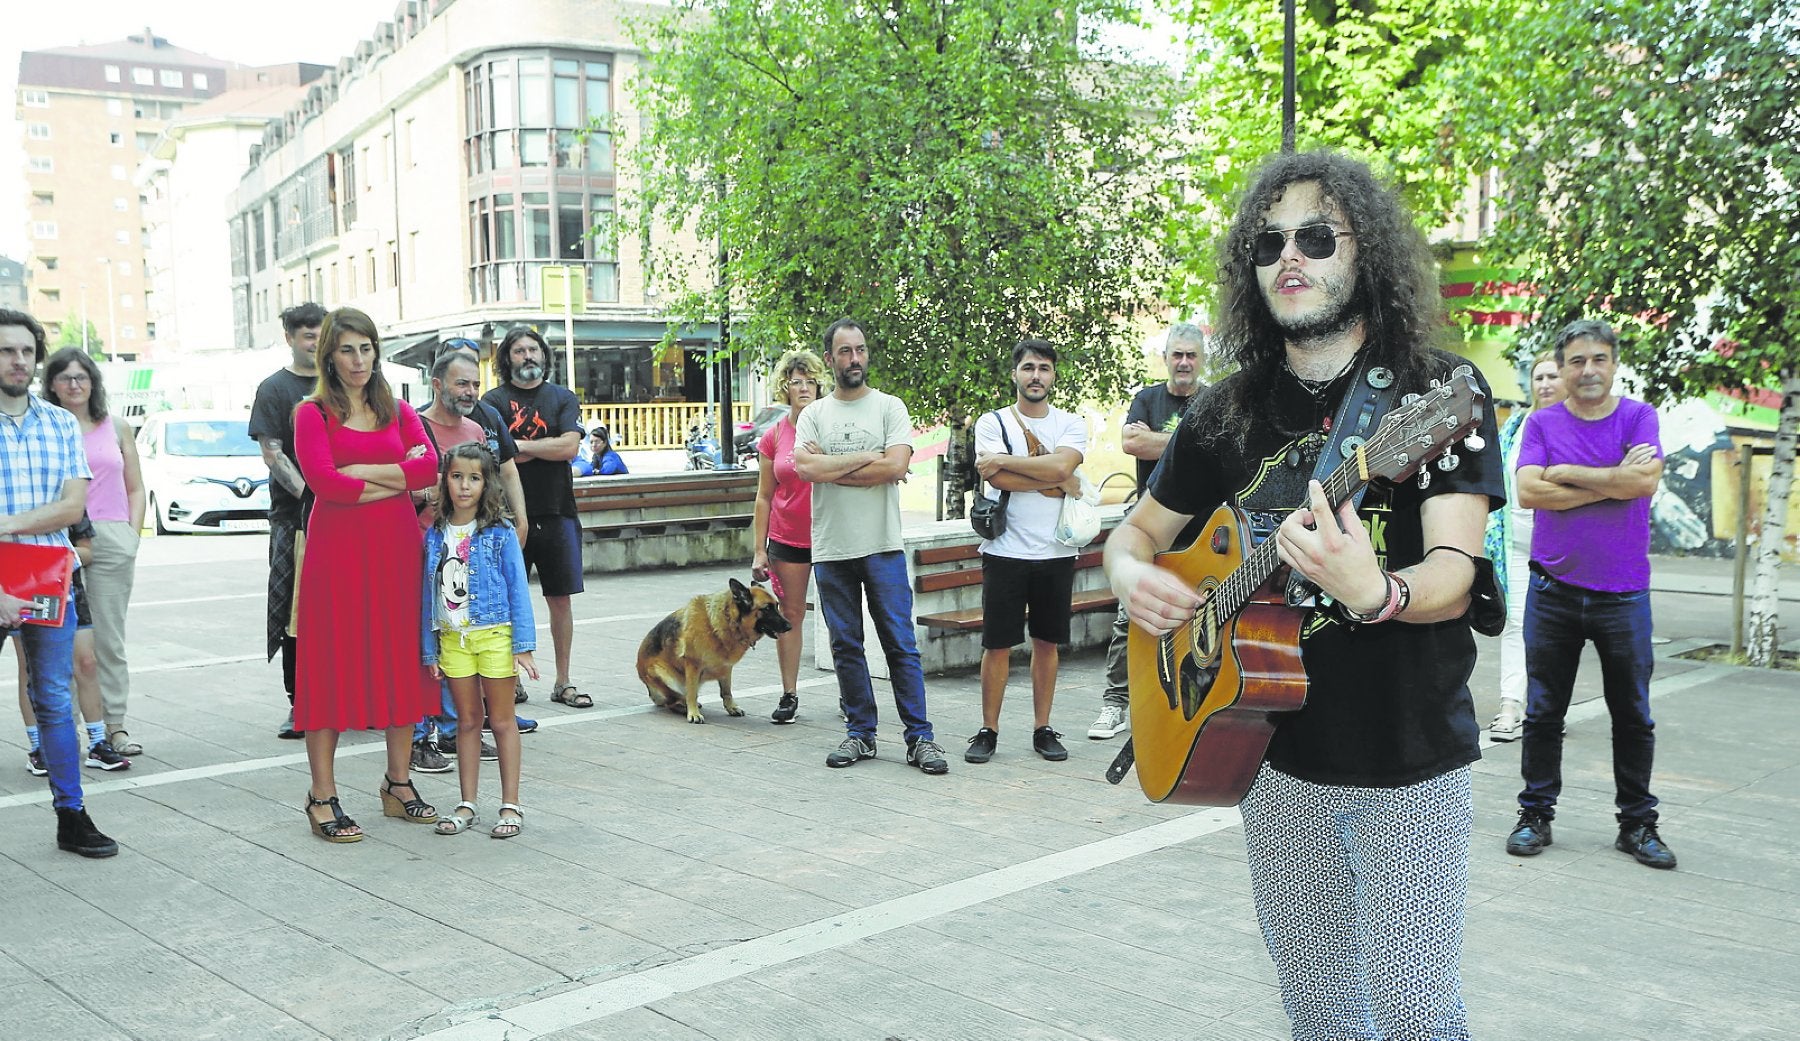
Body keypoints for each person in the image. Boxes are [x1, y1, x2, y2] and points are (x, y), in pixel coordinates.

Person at [1103, 151, 1501, 1039]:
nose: (1292, 256)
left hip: (1410, 754)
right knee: (1317, 1011)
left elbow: (1455, 570)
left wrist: (1380, 589)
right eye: (1268, 240)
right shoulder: (1223, 412)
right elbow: (1135, 535)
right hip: (1271, 755)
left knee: (1412, 1012)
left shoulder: (1438, 394)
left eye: (1317, 236)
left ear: (1364, 255)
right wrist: (1132, 579)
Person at [1506, 318, 1676, 870]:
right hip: (1553, 591)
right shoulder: (1542, 421)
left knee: (1633, 715)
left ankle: (1638, 824)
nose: (1588, 371)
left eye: (1598, 359)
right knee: (1542, 712)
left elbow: (1643, 483)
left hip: (1623, 596)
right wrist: (1609, 479)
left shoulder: (1638, 416)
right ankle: (1535, 814)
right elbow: (1530, 492)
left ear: (1613, 363)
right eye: (1577, 361)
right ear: (1565, 366)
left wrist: (1568, 475)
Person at [292, 307, 440, 842]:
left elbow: (431, 468)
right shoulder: (311, 414)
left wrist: (369, 473)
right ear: (328, 354)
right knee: (331, 667)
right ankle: (322, 796)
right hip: (339, 555)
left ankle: (398, 786)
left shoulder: (397, 408)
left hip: (398, 551)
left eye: (367, 348)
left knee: (401, 659)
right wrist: (396, 480)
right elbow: (325, 484)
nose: (359, 359)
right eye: (348, 349)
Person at [794, 318, 948, 775]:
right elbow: (805, 468)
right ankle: (860, 735)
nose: (855, 358)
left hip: (881, 546)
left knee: (900, 644)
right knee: (846, 645)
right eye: (845, 351)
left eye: (860, 350)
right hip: (831, 548)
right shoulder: (814, 414)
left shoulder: (889, 407)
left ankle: (921, 738)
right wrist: (867, 457)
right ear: (830, 359)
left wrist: (833, 466)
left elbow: (896, 465)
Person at [0, 307, 117, 857]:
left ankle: (72, 817)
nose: (18, 360)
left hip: (46, 575)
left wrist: (8, 523)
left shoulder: (59, 422)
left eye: (25, 350)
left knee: (51, 697)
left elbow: (72, 507)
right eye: (6, 350)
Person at [411, 346, 538, 771]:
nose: (470, 391)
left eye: (475, 383)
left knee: (463, 630)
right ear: (437, 384)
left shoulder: (479, 425)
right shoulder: (415, 426)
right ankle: (418, 735)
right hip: (424, 547)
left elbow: (505, 471)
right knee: (430, 641)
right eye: (461, 383)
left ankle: (456, 728)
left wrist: (519, 518)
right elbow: (402, 485)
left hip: (474, 552)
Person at [964, 339, 1087, 764]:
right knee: (997, 644)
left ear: (1054, 376)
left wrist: (1013, 465)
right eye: (1029, 367)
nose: (1036, 375)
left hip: (1056, 552)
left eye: (1045, 369)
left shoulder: (1071, 423)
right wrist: (1056, 479)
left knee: (1047, 643)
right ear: (1015, 374)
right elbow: (998, 482)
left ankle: (1042, 728)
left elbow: (1057, 466)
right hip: (1005, 550)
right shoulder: (991, 422)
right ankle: (988, 730)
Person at [1090, 323, 1205, 740]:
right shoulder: (1147, 399)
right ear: (1166, 359)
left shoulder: (1212, 401)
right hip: (1151, 532)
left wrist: (1162, 441)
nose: (1184, 363)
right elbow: (1131, 445)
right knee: (1130, 617)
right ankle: (1115, 705)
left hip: (1203, 534)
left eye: (1191, 355)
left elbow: (1214, 447)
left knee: (1201, 618)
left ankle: (1188, 706)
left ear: (1201, 358)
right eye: (1177, 355)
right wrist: (1186, 443)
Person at [423, 443, 538, 839]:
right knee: (467, 722)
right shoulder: (435, 534)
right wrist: (429, 648)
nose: (465, 486)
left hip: (494, 636)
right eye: (456, 477)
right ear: (445, 481)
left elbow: (518, 589)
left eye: (474, 478)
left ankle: (510, 804)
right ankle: (467, 803)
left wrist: (522, 643)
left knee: (502, 721)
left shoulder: (500, 533)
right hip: (453, 640)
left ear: (486, 483)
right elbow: (428, 594)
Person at [39, 349, 145, 757]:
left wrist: (131, 535)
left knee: (108, 641)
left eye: (82, 377)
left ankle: (113, 727)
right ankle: (63, 731)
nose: (74, 384)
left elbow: (136, 486)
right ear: (52, 384)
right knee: (57, 642)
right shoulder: (46, 428)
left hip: (111, 536)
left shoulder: (115, 427)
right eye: (65, 378)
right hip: (56, 539)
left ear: (93, 382)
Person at [481, 329, 588, 709]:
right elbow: (492, 456)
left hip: (557, 511)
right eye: (518, 350)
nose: (527, 356)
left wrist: (519, 446)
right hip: (505, 516)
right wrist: (545, 448)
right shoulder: (492, 402)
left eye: (533, 350)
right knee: (505, 600)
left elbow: (570, 447)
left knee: (560, 600)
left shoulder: (562, 397)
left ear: (544, 356)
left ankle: (563, 681)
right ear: (506, 358)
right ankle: (509, 679)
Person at [251, 302, 324, 740]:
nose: (315, 343)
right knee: (296, 613)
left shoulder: (345, 383)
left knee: (350, 612)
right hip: (294, 518)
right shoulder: (275, 388)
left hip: (351, 515)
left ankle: (354, 697)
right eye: (307, 335)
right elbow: (272, 452)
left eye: (321, 334)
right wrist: (315, 496)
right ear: (291, 338)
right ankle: (300, 704)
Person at [1484, 354, 1566, 741]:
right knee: (1516, 622)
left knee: (1556, 631)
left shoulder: (1577, 429)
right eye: (1539, 377)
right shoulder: (1517, 425)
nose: (1546, 383)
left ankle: (1548, 708)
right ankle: (1510, 706)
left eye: (1553, 376)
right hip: (1514, 544)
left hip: (1563, 548)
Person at [18, 514, 131, 771]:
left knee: (87, 662)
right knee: (31, 669)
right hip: (25, 584)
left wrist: (55, 556)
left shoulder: (70, 500)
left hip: (69, 587)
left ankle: (97, 744)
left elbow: (87, 552)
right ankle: (39, 748)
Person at [750, 348, 825, 724]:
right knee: (790, 614)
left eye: (811, 380)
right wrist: (758, 551)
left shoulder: (830, 426)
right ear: (785, 387)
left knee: (840, 618)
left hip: (830, 537)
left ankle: (852, 696)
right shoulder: (775, 434)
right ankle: (789, 693)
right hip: (787, 538)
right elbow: (764, 496)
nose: (804, 387)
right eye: (797, 381)